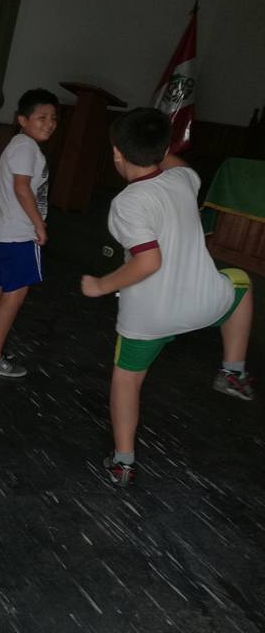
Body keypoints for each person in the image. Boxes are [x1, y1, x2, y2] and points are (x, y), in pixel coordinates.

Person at [81, 108, 255, 488]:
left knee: (127, 381)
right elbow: (176, 165)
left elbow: (148, 262)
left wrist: (101, 285)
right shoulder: (184, 180)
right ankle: (232, 371)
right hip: (204, 303)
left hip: (150, 317)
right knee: (241, 283)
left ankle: (123, 462)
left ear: (116, 153)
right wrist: (158, 147)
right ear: (163, 151)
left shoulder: (126, 203)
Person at [0, 88, 57, 378]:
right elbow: (21, 188)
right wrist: (38, 225)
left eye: (53, 118)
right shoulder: (27, 147)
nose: (49, 123)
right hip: (19, 233)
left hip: (1, 231)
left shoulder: (18, 145)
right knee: (14, 294)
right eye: (41, 117)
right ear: (22, 119)